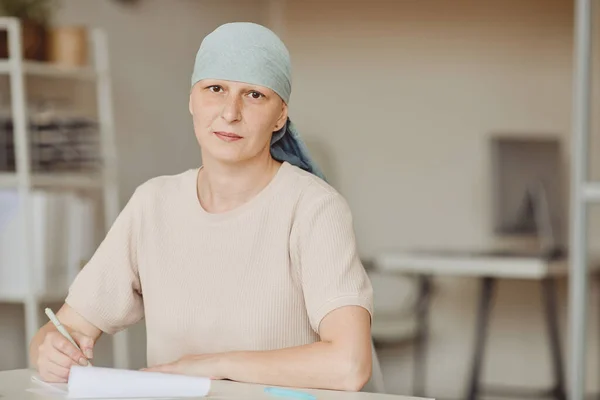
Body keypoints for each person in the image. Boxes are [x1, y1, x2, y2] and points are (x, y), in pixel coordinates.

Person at [29, 22, 374, 392]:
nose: (230, 113)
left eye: (254, 95)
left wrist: (215, 365)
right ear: (192, 100)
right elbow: (62, 329)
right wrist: (51, 350)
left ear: (280, 115)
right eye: (216, 89)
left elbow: (349, 365)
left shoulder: (314, 209)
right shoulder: (152, 204)